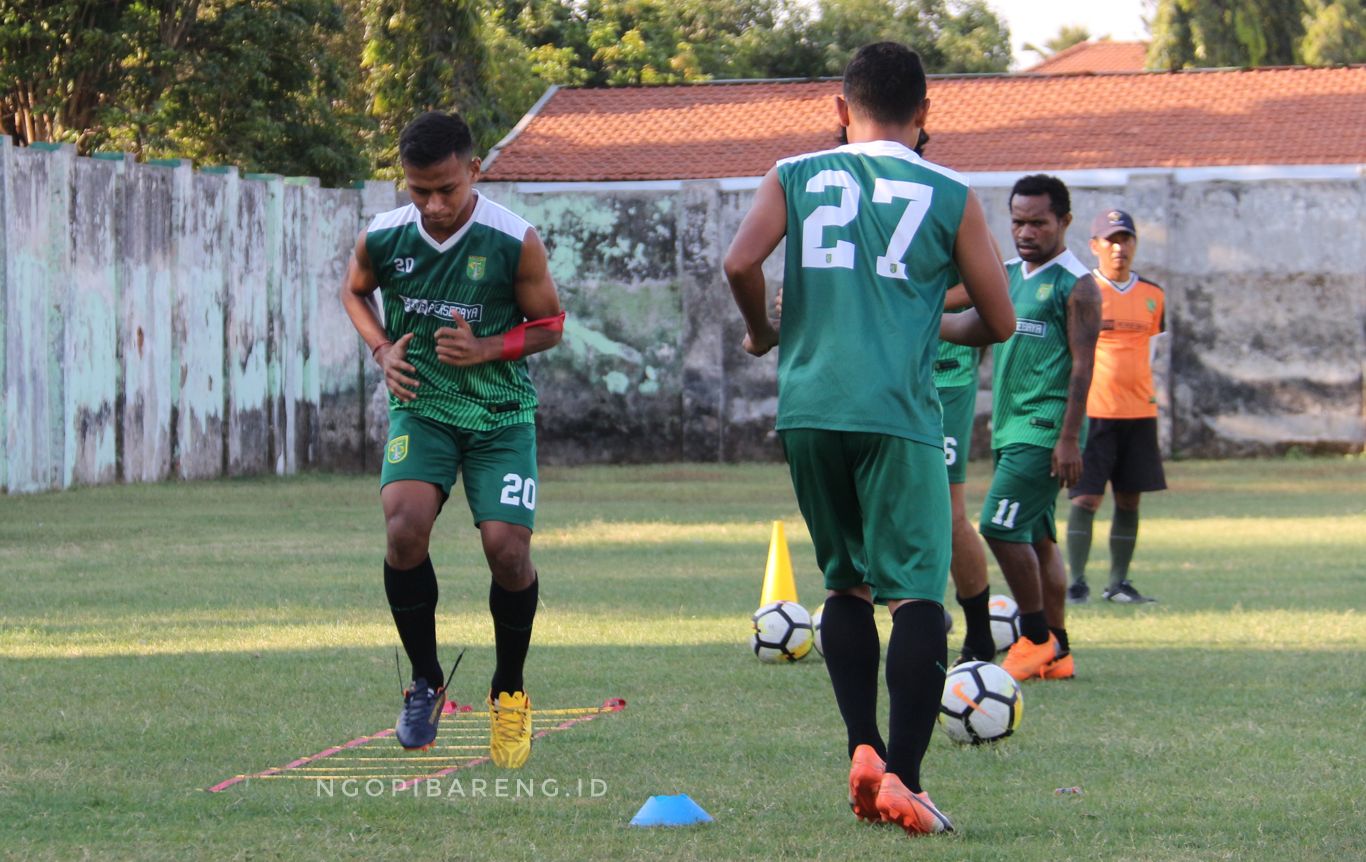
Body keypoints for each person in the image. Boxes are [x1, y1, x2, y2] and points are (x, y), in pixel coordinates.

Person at [724, 43, 1014, 836]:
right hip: (898, 414)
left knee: (845, 585)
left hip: (810, 409)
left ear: (841, 111)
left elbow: (739, 261)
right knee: (918, 595)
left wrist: (762, 332)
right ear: (926, 117)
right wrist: (934, 319)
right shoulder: (950, 190)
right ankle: (905, 780)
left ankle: (861, 747)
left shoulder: (794, 172)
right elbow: (1000, 319)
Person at [340, 111, 564, 767]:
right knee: (403, 528)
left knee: (507, 551)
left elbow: (551, 324)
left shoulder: (511, 239)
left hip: (500, 416)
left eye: (446, 188)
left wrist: (488, 346)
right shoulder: (383, 237)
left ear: (474, 169)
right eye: (419, 191)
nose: (434, 205)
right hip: (424, 408)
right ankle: (425, 681)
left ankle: (510, 690)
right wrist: (381, 348)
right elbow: (354, 293)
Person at [980, 174, 1100, 683]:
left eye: (1038, 222)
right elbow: (943, 303)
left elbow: (1083, 365)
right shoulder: (1005, 274)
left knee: (999, 525)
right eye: (1017, 221)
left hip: (1045, 428)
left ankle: (1033, 637)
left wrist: (1069, 438)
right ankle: (1060, 649)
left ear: (1064, 222)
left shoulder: (1079, 285)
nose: (1025, 232)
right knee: (1039, 539)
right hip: (1010, 428)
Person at [1066, 209, 1166, 604]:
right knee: (1086, 498)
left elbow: (1153, 350)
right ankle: (1076, 582)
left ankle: (1118, 584)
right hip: (1094, 413)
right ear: (1094, 246)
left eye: (1125, 239)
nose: (1119, 247)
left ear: (1135, 244)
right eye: (1110, 240)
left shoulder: (1153, 295)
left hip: (1140, 413)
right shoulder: (1084, 290)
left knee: (1129, 498)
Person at [934, 292, 997, 664]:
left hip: (946, 374)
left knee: (949, 512)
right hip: (890, 366)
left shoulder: (958, 229)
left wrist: (920, 295)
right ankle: (921, 610)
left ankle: (979, 636)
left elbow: (988, 285)